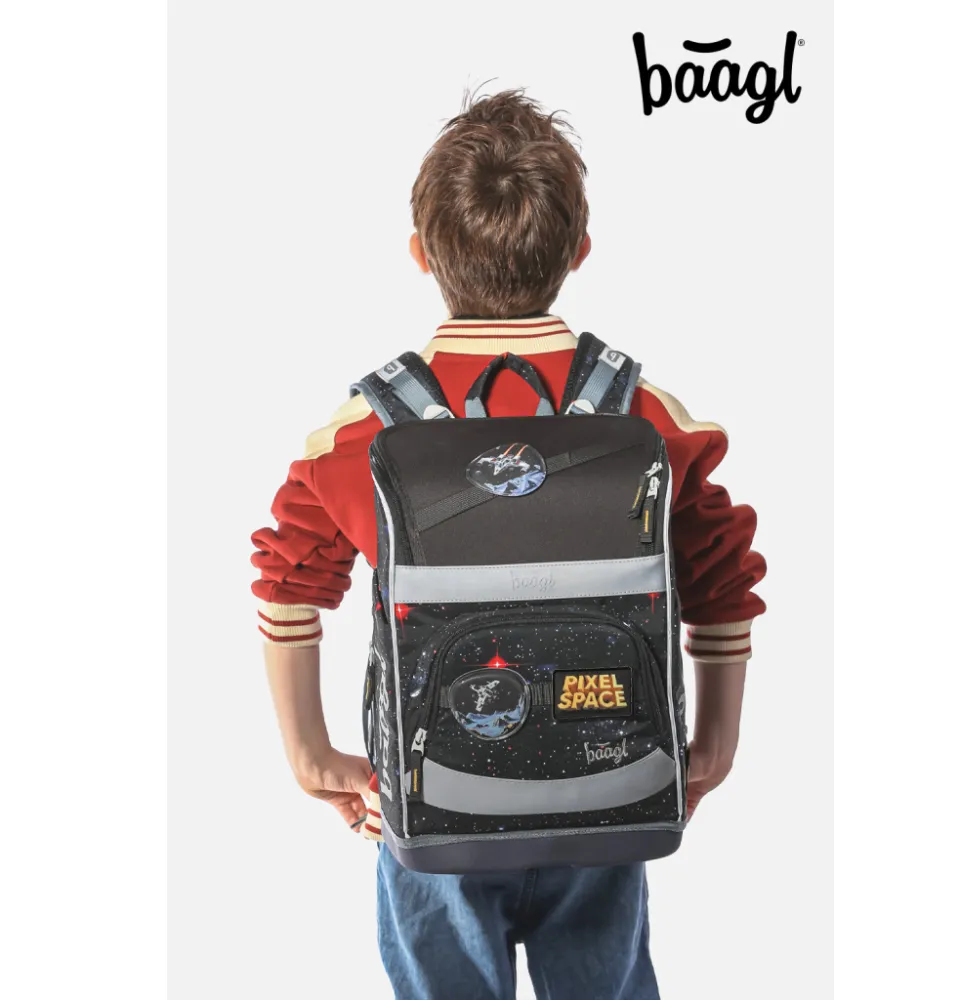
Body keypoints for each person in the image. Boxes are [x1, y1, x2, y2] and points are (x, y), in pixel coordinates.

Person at [251, 89, 766, 1000]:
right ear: (580, 250)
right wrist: (715, 742)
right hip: (607, 792)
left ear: (421, 253)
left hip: (431, 807)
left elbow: (288, 582)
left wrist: (310, 754)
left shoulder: (360, 436)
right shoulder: (646, 418)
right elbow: (721, 579)